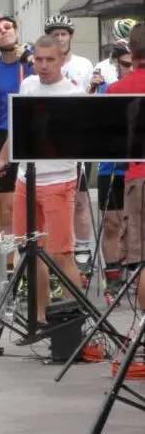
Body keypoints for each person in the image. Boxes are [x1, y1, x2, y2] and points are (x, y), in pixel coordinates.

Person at [0, 35, 84, 326]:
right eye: (38, 60)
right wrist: (3, 158)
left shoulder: (73, 95)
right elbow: (18, 130)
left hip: (59, 181)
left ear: (61, 60)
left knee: (61, 254)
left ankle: (74, 320)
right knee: (31, 252)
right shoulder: (28, 85)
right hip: (25, 181)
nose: (43, 66)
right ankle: (40, 317)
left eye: (50, 60)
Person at [0, 14, 33, 278]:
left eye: (8, 27)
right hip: (4, 133)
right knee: (6, 207)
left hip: (34, 131)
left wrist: (31, 60)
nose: (4, 32)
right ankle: (7, 268)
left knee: (36, 205)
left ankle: (36, 264)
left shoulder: (34, 60)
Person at [44, 14, 96, 278]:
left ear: (70, 37)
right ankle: (58, 248)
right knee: (54, 198)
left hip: (77, 139)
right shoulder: (44, 64)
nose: (60, 38)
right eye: (55, 34)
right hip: (51, 141)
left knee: (80, 199)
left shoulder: (84, 65)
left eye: (64, 34)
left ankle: (83, 251)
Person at [105, 23, 145, 314]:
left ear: (131, 52)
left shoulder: (116, 90)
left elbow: (110, 143)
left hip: (137, 175)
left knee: (143, 259)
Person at [91, 39, 133, 302]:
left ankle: (133, 269)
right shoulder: (105, 89)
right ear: (116, 63)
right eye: (125, 64)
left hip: (136, 168)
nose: (130, 69)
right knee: (111, 223)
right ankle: (114, 276)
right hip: (111, 168)